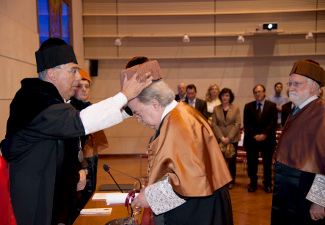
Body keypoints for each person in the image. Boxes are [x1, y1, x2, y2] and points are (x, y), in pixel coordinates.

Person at [1, 38, 152, 225]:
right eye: (73, 71)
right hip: (38, 200)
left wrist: (133, 104)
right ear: (52, 74)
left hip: (61, 197)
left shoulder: (62, 102)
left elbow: (93, 114)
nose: (78, 78)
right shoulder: (32, 100)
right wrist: (125, 95)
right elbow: (81, 121)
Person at [127, 58, 233, 225]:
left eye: (138, 113)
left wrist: (149, 196)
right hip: (199, 204)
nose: (139, 120)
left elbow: (189, 183)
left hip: (200, 209)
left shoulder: (179, 123)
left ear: (154, 104)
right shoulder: (176, 115)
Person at [271, 59, 325, 225]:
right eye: (290, 83)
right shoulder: (298, 109)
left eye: (296, 84)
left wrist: (319, 199)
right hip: (287, 188)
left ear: (312, 86)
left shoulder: (321, 112)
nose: (291, 88)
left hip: (305, 188)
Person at [73, 69, 109, 218]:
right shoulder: (71, 110)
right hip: (80, 158)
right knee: (81, 192)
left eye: (87, 86)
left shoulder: (90, 106)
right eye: (80, 86)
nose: (84, 90)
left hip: (92, 154)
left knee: (91, 188)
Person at [244, 84, 277, 193]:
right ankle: (253, 183)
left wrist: (264, 135)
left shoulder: (272, 105)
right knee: (252, 163)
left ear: (264, 92)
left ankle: (267, 183)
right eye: (256, 92)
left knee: (267, 163)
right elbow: (247, 123)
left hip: (267, 140)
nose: (258, 94)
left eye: (260, 91)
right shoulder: (248, 106)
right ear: (254, 94)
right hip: (252, 140)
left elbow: (273, 122)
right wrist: (255, 135)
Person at [211, 88, 241, 189]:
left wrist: (228, 138)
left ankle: (231, 181)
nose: (225, 97)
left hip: (232, 139)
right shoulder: (216, 109)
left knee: (232, 162)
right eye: (223, 95)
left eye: (227, 95)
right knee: (220, 162)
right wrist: (222, 137)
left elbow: (237, 124)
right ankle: (222, 181)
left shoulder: (236, 108)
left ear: (230, 97)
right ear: (221, 97)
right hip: (220, 139)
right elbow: (214, 125)